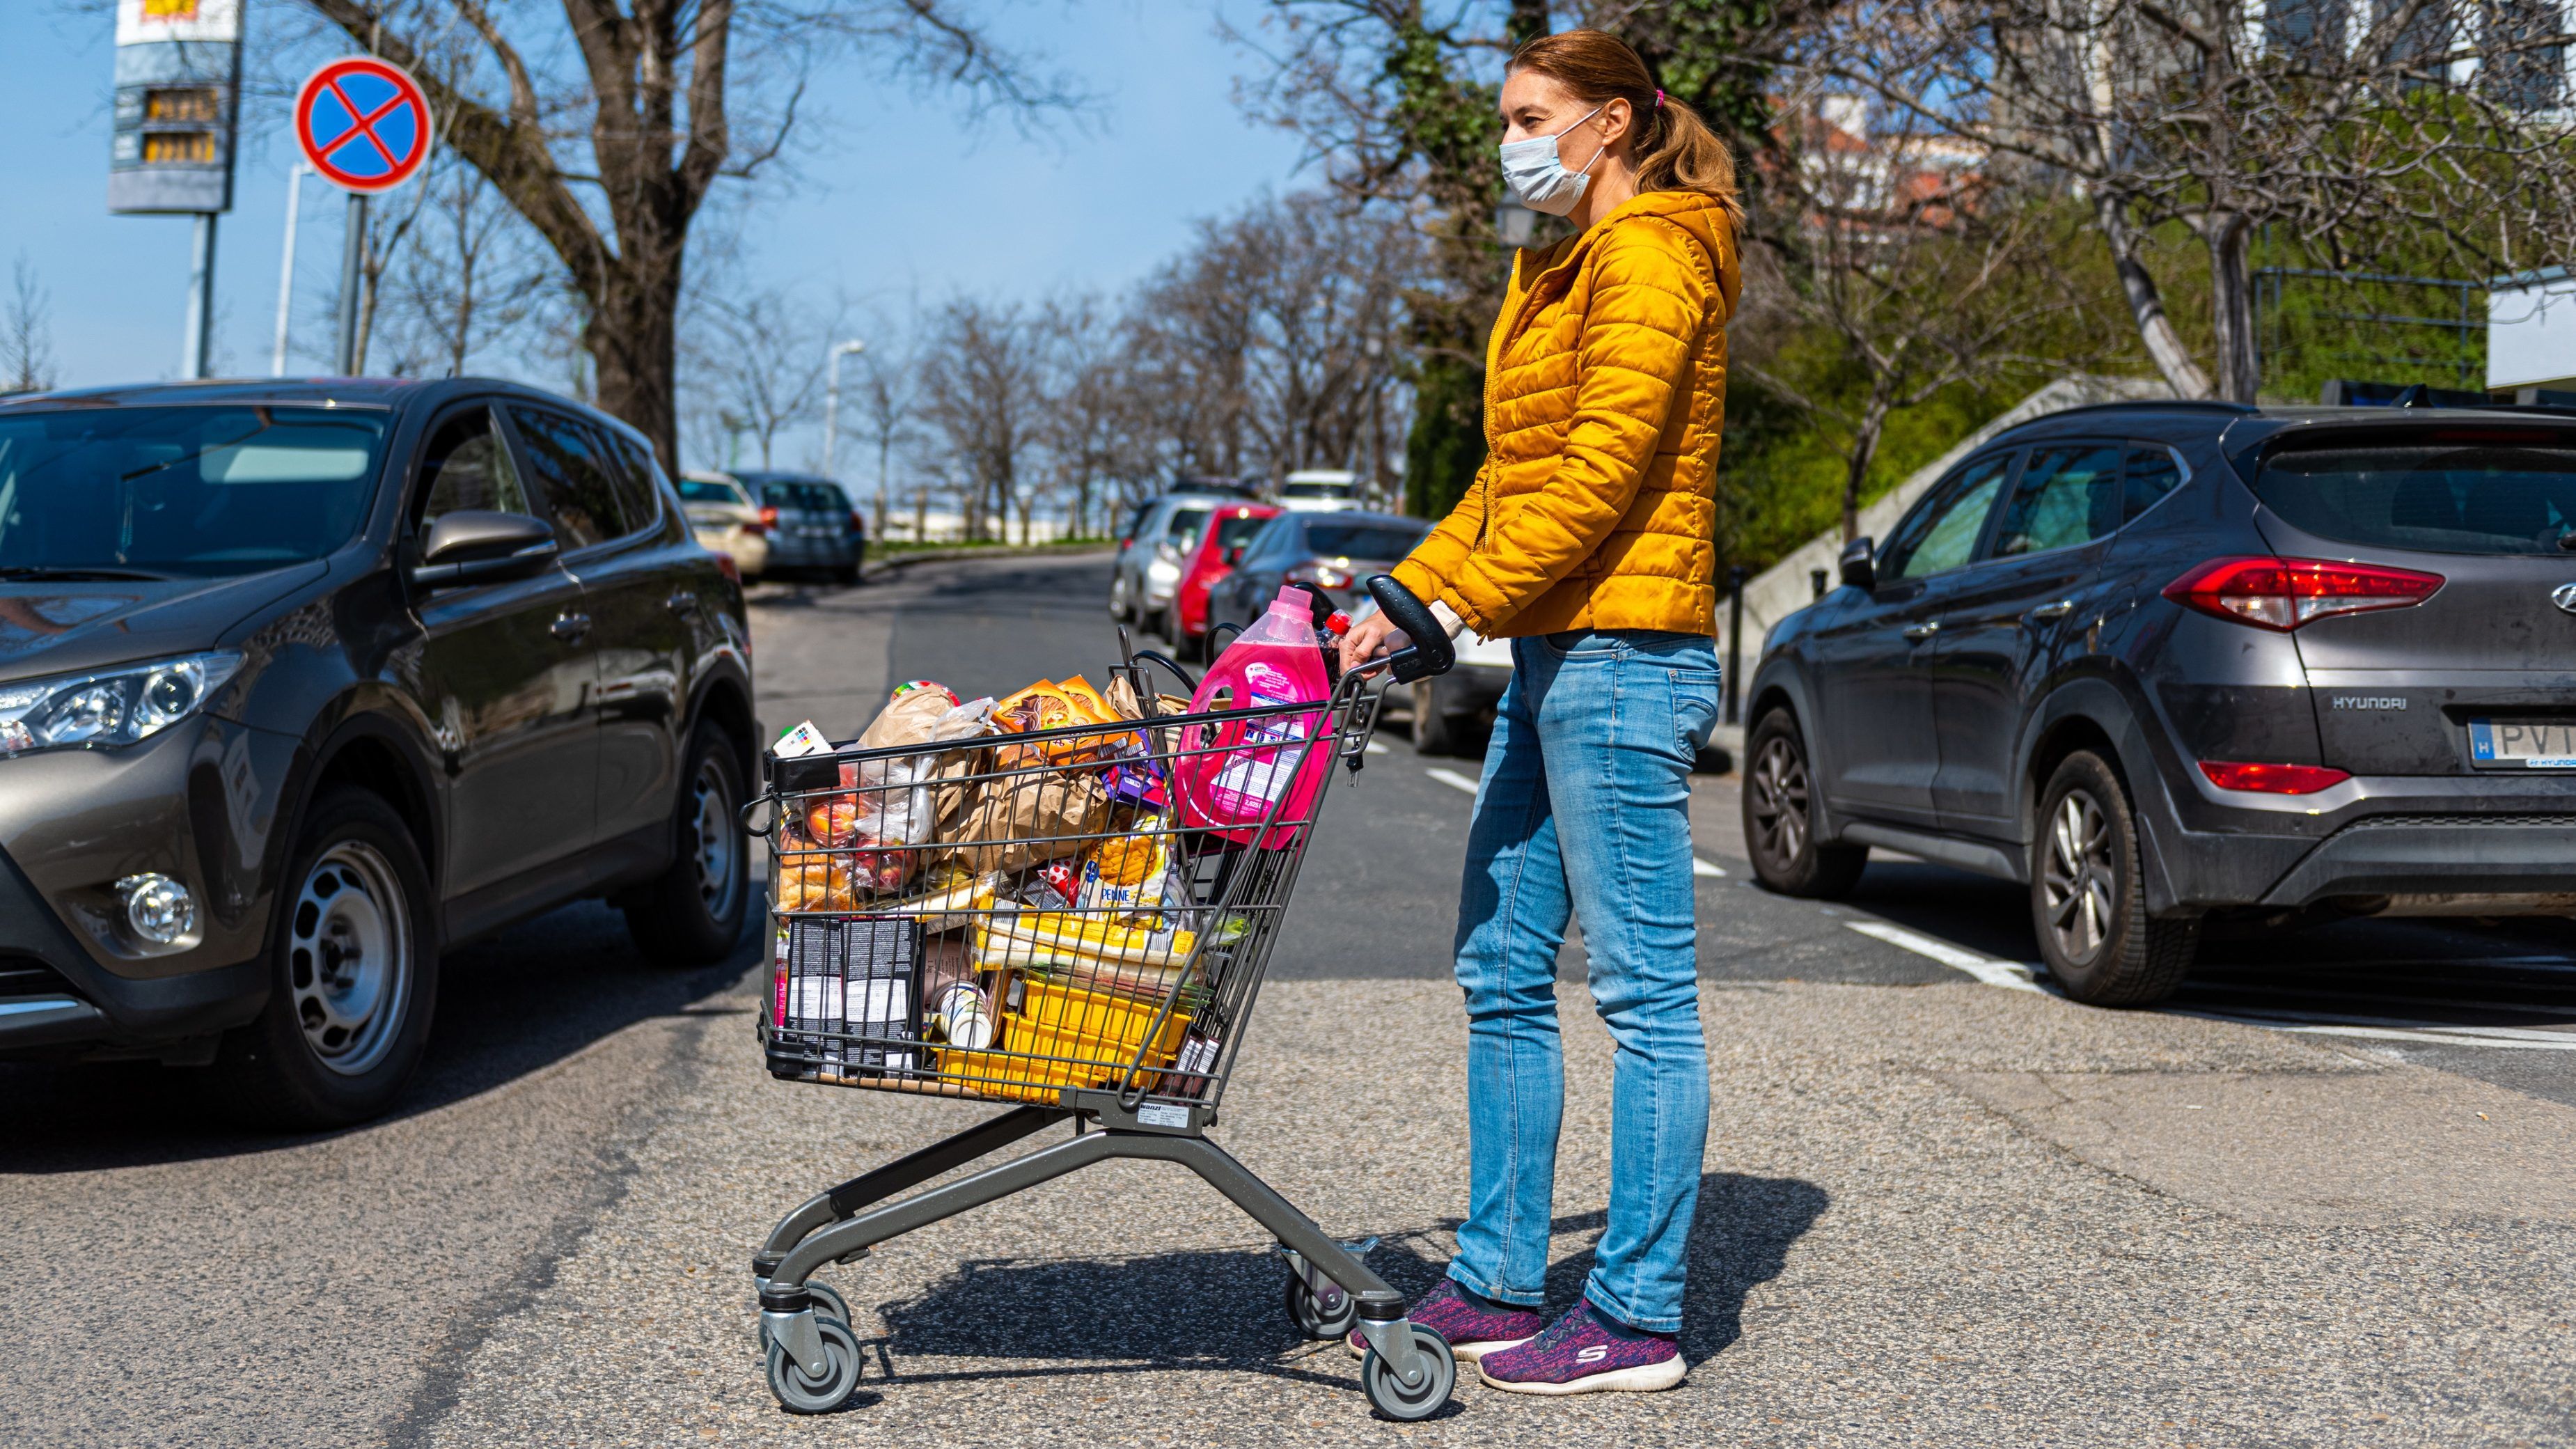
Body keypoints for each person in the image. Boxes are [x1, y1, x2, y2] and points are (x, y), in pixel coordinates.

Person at [1339, 28, 1741, 1396]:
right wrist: (1406, 593)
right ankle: (1504, 1277)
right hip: (1555, 654)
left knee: (1641, 995)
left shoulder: (1649, 257)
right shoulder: (1555, 261)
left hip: (1624, 656)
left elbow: (1597, 483)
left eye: (1529, 114)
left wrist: (1443, 618)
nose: (1507, 140)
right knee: (1500, 966)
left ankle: (1635, 1319)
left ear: (1612, 119)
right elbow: (1512, 486)